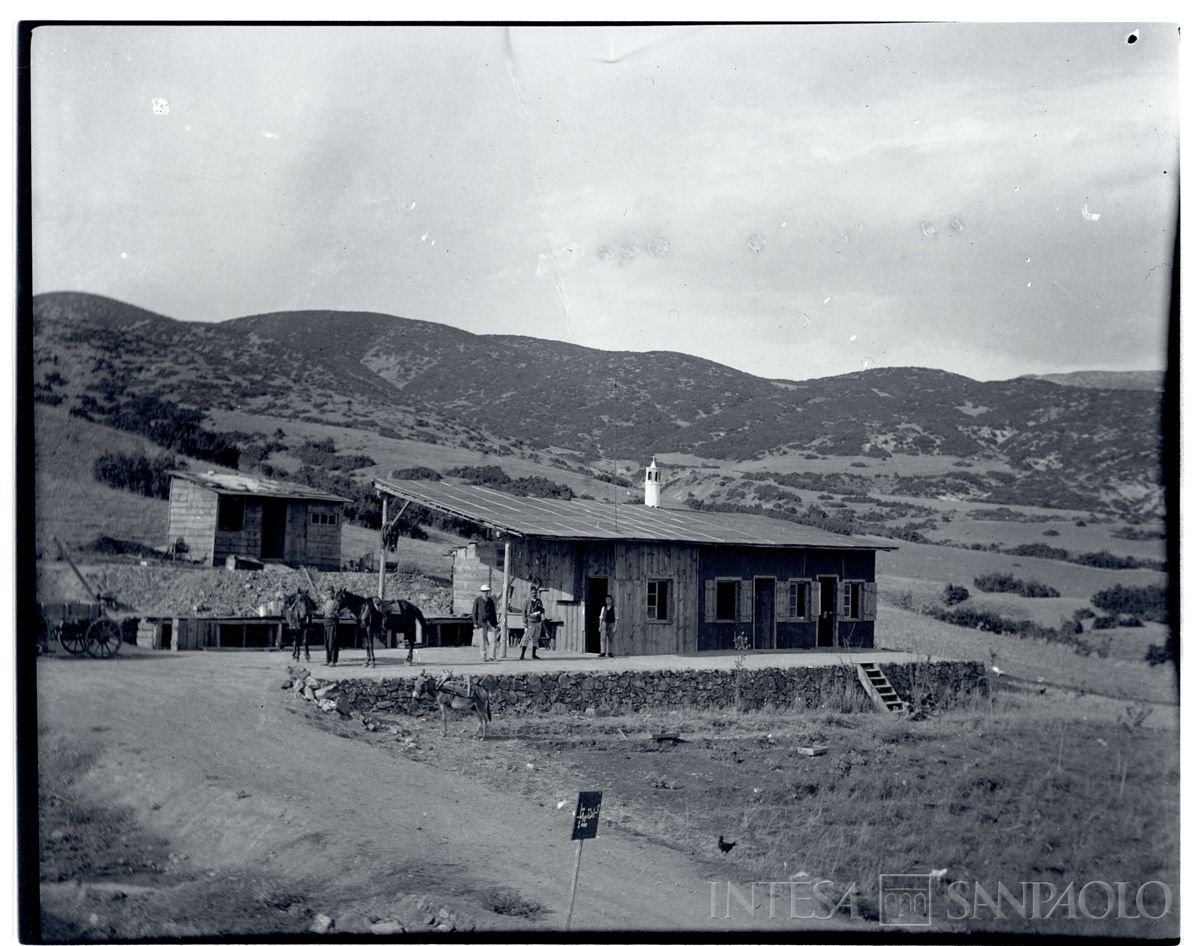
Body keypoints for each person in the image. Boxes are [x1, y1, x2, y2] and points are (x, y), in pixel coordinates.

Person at [473, 584, 499, 661]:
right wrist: (475, 622)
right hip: (481, 622)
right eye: (484, 592)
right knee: (482, 640)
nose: (486, 593)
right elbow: (474, 612)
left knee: (493, 640)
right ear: (481, 592)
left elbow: (493, 612)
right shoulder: (477, 600)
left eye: (487, 591)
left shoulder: (490, 601)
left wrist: (495, 623)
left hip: (490, 622)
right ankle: (483, 657)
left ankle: (492, 657)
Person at [520, 587, 545, 660]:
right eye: (533, 593)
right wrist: (524, 622)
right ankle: (522, 655)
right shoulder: (527, 601)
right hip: (530, 621)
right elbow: (523, 611)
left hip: (538, 621)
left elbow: (542, 609)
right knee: (526, 638)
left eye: (535, 593)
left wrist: (541, 613)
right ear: (530, 593)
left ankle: (534, 654)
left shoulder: (539, 601)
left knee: (536, 638)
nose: (534, 594)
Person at [322, 585, 340, 666]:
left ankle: (333, 660)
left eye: (331, 593)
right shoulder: (325, 602)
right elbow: (322, 612)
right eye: (328, 593)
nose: (329, 595)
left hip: (333, 623)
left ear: (333, 594)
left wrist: (336, 613)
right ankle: (327, 660)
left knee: (332, 643)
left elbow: (338, 613)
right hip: (326, 623)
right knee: (326, 643)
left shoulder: (336, 602)